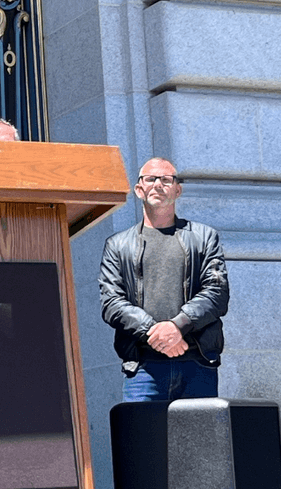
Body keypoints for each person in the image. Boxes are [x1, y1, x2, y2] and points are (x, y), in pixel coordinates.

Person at [98, 157, 229, 402]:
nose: (158, 185)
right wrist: (155, 332)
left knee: (198, 440)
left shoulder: (204, 237)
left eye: (166, 180)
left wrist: (176, 326)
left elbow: (217, 293)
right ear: (139, 189)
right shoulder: (117, 245)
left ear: (178, 190)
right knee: (141, 440)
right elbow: (111, 303)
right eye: (151, 179)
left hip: (197, 366)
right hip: (143, 369)